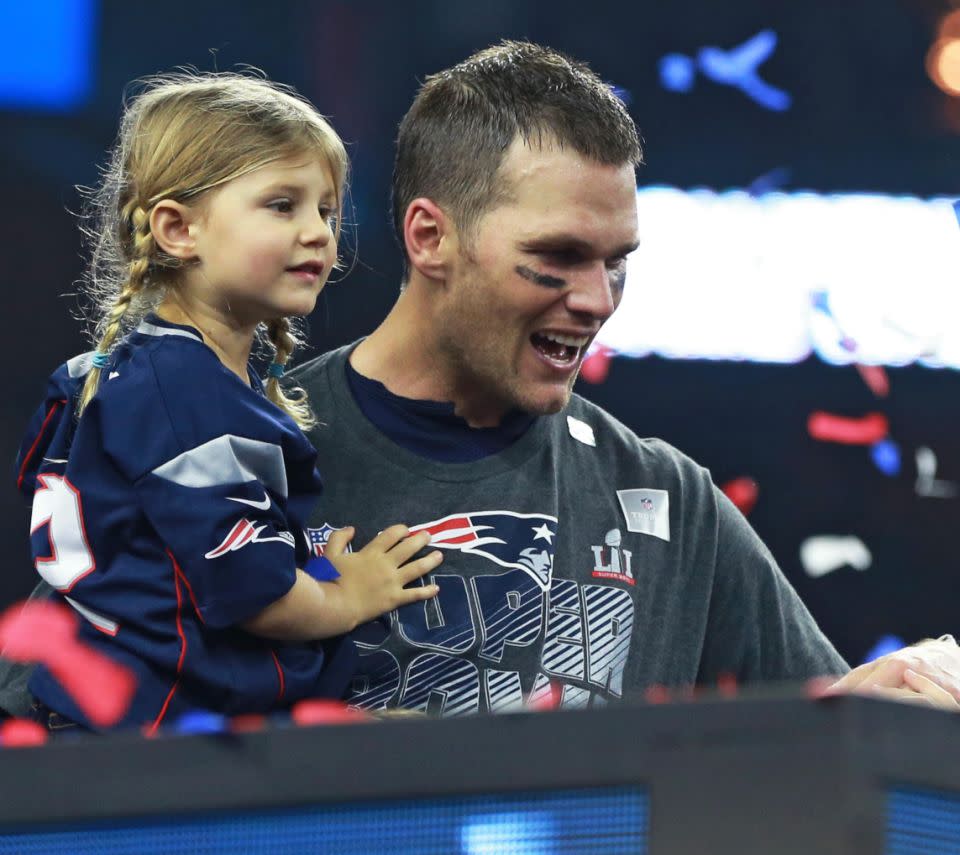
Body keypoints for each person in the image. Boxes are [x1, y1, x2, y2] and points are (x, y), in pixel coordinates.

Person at [287, 40, 960, 714]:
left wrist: (897, 696)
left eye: (615, 260)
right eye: (560, 254)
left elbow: (818, 742)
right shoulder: (257, 455)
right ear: (430, 238)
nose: (598, 299)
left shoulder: (669, 499)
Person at [11, 72, 441, 731]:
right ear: (179, 230)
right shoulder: (187, 394)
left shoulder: (131, 373)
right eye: (281, 204)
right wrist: (345, 595)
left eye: (325, 210)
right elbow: (252, 591)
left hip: (106, 717)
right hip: (153, 740)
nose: (320, 232)